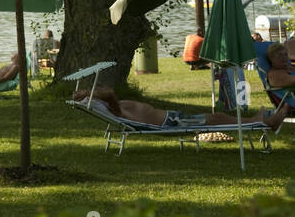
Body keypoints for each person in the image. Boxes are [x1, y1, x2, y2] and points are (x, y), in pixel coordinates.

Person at [75, 84, 290, 131]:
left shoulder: (113, 107)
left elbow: (108, 93)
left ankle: (256, 119)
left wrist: (87, 94)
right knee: (215, 119)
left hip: (171, 118)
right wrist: (86, 92)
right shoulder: (114, 109)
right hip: (170, 123)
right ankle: (263, 122)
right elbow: (110, 93)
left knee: (217, 117)